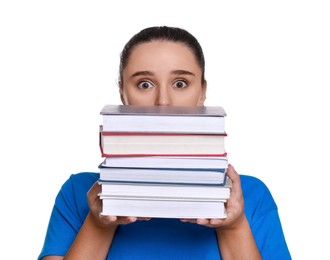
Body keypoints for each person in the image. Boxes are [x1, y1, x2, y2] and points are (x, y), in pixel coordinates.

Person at [38, 26, 291, 260]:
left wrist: (234, 226)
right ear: (121, 93)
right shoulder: (76, 193)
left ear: (202, 92)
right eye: (144, 84)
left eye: (180, 83)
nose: (163, 102)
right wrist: (98, 224)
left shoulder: (251, 196)